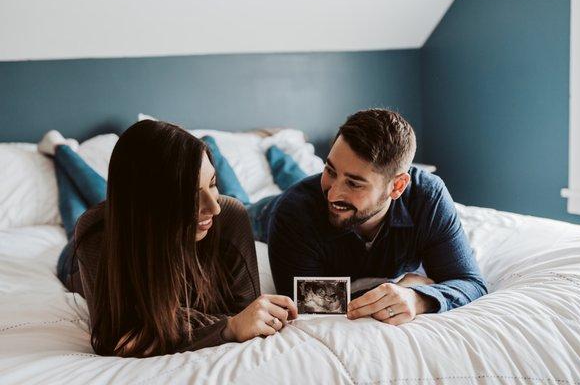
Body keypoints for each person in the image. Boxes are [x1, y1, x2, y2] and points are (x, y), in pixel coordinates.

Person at [38, 121, 297, 357]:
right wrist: (226, 328)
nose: (214, 207)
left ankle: (63, 150)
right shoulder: (95, 235)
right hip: (74, 261)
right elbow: (116, 338)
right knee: (76, 217)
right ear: (150, 205)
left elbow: (246, 314)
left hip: (130, 217)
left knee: (103, 199)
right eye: (192, 195)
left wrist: (157, 326)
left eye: (213, 184)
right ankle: (61, 151)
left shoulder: (228, 216)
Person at [261, 109, 487, 325]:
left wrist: (417, 297)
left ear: (397, 186)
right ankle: (272, 154)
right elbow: (304, 301)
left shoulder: (427, 196)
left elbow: (470, 282)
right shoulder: (292, 211)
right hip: (263, 214)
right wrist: (404, 285)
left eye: (354, 183)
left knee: (300, 179)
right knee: (239, 202)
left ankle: (279, 156)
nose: (332, 193)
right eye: (329, 170)